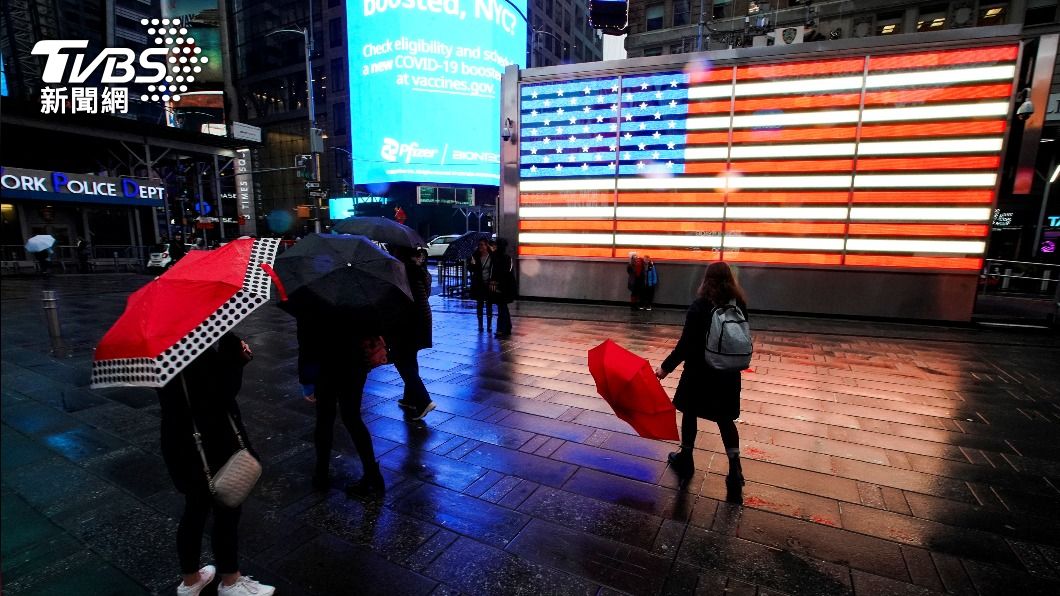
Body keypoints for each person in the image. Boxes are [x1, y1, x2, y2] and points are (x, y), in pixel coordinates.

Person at [158, 333, 275, 596]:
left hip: (178, 441)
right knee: (227, 507)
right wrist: (236, 357)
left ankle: (190, 581)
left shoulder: (159, 347)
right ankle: (231, 581)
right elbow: (221, 393)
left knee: (194, 509)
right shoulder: (198, 345)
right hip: (210, 442)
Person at [655, 262, 748, 492]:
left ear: (706, 279)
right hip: (727, 372)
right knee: (725, 419)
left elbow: (686, 344)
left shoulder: (700, 305)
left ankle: (686, 458)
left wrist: (665, 368)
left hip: (699, 372)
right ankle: (735, 467)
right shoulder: (739, 304)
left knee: (690, 413)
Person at [297, 312, 385, 495]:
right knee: (352, 417)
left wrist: (307, 380)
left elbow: (306, 341)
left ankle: (321, 475)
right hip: (354, 364)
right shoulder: (360, 292)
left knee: (324, 418)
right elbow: (374, 326)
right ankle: (373, 475)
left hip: (325, 366)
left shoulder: (311, 299)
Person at [390, 246, 437, 420]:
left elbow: (398, 300)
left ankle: (423, 400)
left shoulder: (402, 272)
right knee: (409, 357)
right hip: (421, 319)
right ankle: (409, 398)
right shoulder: (419, 271)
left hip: (407, 321)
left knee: (400, 359)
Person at [487, 237, 515, 338]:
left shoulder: (496, 257)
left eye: (495, 245)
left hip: (500, 286)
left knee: (501, 307)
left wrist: (493, 281)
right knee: (503, 306)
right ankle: (507, 327)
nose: (493, 247)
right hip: (507, 285)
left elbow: (495, 271)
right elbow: (508, 272)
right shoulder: (507, 257)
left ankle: (501, 329)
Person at [467, 238, 493, 332]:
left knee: (489, 304)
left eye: (482, 245)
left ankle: (489, 325)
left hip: (489, 283)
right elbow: (470, 269)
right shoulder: (475, 256)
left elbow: (494, 268)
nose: (480, 247)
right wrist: (472, 264)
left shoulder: (491, 256)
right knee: (480, 304)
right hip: (479, 283)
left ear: (486, 246)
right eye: (479, 245)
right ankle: (480, 325)